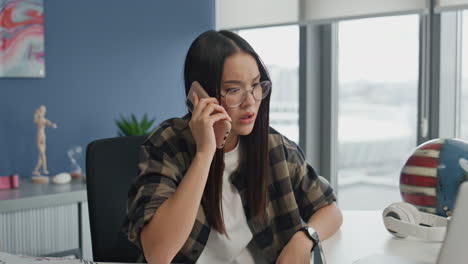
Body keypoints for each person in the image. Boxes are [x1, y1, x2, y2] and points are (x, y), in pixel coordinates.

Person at [124, 30, 342, 264]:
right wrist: (205, 152)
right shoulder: (167, 145)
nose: (250, 102)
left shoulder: (273, 147)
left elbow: (329, 210)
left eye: (256, 85)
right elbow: (158, 254)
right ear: (200, 96)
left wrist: (305, 237)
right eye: (234, 90)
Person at [32, 105, 57, 176]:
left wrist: (53, 125)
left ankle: (36, 170)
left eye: (44, 111)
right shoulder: (38, 119)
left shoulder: (44, 119)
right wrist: (36, 114)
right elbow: (35, 120)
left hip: (43, 137)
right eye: (41, 110)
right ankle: (44, 169)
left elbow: (49, 123)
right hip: (39, 137)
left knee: (42, 155)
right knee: (43, 155)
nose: (43, 112)